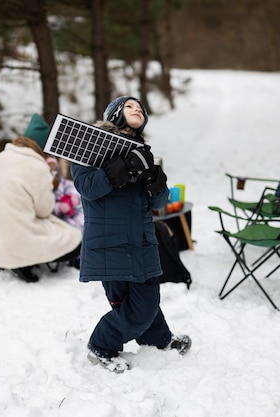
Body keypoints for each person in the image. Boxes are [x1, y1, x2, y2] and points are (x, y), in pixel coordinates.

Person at [70, 96, 191, 373]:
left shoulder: (143, 153)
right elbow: (87, 187)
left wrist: (154, 179)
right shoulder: (88, 148)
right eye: (129, 106)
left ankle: (159, 340)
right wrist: (122, 169)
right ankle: (101, 344)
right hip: (109, 244)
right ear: (113, 114)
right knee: (137, 308)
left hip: (143, 242)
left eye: (141, 108)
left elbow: (158, 203)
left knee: (146, 301)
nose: (138, 109)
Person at [0, 132, 82, 283]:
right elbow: (44, 210)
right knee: (74, 240)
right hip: (16, 242)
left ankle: (7, 260)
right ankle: (23, 263)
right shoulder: (37, 166)